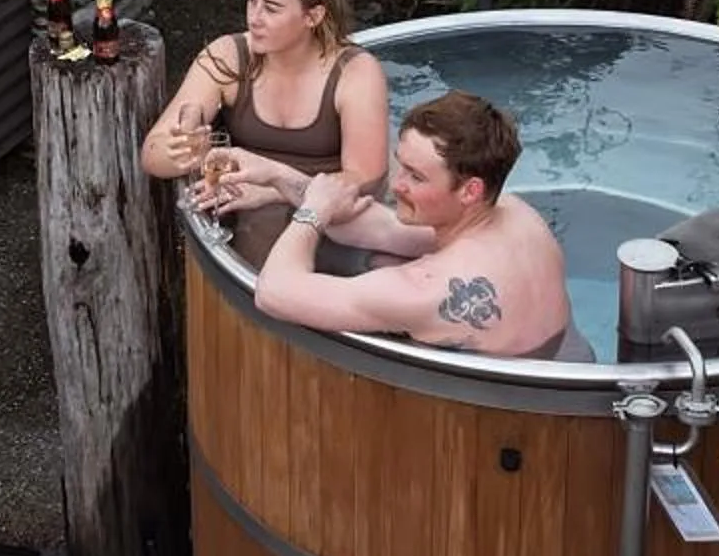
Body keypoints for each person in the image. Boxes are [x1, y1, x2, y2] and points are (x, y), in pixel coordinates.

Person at [206, 91, 588, 361]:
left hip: (505, 424)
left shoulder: (423, 289)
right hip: (572, 367)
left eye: (416, 177)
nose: (395, 184)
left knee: (380, 266)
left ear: (470, 190)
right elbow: (381, 228)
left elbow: (274, 291)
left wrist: (311, 215)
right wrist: (277, 178)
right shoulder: (517, 213)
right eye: (400, 165)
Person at [140, 0, 389, 260]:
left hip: (333, 223)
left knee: (270, 221)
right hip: (248, 224)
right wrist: (182, 153)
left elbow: (365, 179)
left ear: (312, 16)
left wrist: (273, 190)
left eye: (271, 8)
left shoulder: (355, 73)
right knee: (259, 227)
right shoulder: (229, 57)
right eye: (251, 0)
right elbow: (152, 152)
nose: (254, 17)